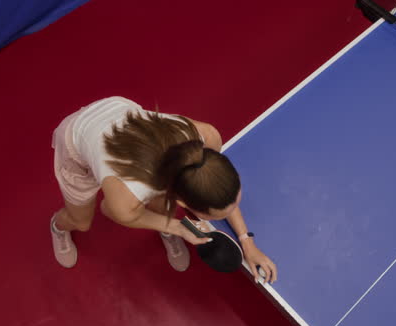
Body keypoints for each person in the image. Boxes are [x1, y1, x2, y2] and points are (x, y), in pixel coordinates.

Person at [50, 96, 277, 283]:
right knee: (81, 222)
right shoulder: (127, 194)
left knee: (160, 207)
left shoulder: (206, 138)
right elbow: (109, 209)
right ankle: (58, 227)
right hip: (78, 138)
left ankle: (166, 229)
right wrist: (179, 228)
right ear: (183, 204)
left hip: (125, 120)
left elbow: (218, 192)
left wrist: (246, 240)